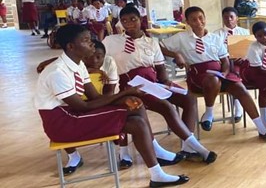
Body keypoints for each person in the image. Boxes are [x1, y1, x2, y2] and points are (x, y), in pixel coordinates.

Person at [33, 24, 189, 187]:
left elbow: (95, 97)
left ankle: (156, 171)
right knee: (137, 122)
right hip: (62, 123)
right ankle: (157, 171)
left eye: (91, 39)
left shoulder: (78, 65)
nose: (92, 43)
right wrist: (125, 94)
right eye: (86, 40)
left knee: (136, 107)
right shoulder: (57, 72)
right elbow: (83, 107)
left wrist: (125, 98)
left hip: (73, 113)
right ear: (71, 47)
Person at [103, 6, 218, 164]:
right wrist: (97, 69)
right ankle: (198, 148)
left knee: (189, 98)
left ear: (140, 20)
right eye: (124, 21)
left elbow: (161, 72)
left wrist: (167, 85)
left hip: (152, 84)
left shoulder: (152, 42)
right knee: (166, 106)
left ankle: (187, 147)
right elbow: (93, 56)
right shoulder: (111, 41)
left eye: (133, 19)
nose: (128, 23)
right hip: (130, 87)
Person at [160, 6, 266, 139]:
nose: (198, 22)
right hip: (199, 75)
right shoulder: (181, 37)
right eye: (193, 20)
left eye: (201, 18)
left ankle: (261, 128)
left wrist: (225, 72)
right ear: (187, 22)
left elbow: (225, 60)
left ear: (205, 19)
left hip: (219, 73)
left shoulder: (214, 38)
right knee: (213, 80)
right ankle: (209, 113)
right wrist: (175, 54)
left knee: (240, 88)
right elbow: (159, 47)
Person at [213, 7, 266, 121]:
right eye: (225, 17)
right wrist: (228, 59)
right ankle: (238, 107)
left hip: (244, 61)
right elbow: (217, 52)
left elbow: (248, 50)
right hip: (227, 64)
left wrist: (243, 57)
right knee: (235, 77)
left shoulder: (244, 32)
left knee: (260, 73)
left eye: (231, 17)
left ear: (236, 18)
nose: (229, 20)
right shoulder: (217, 34)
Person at [241, 21, 266, 130]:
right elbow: (259, 69)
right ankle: (264, 119)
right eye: (259, 36)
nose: (264, 38)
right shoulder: (253, 47)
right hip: (251, 70)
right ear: (255, 37)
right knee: (265, 84)